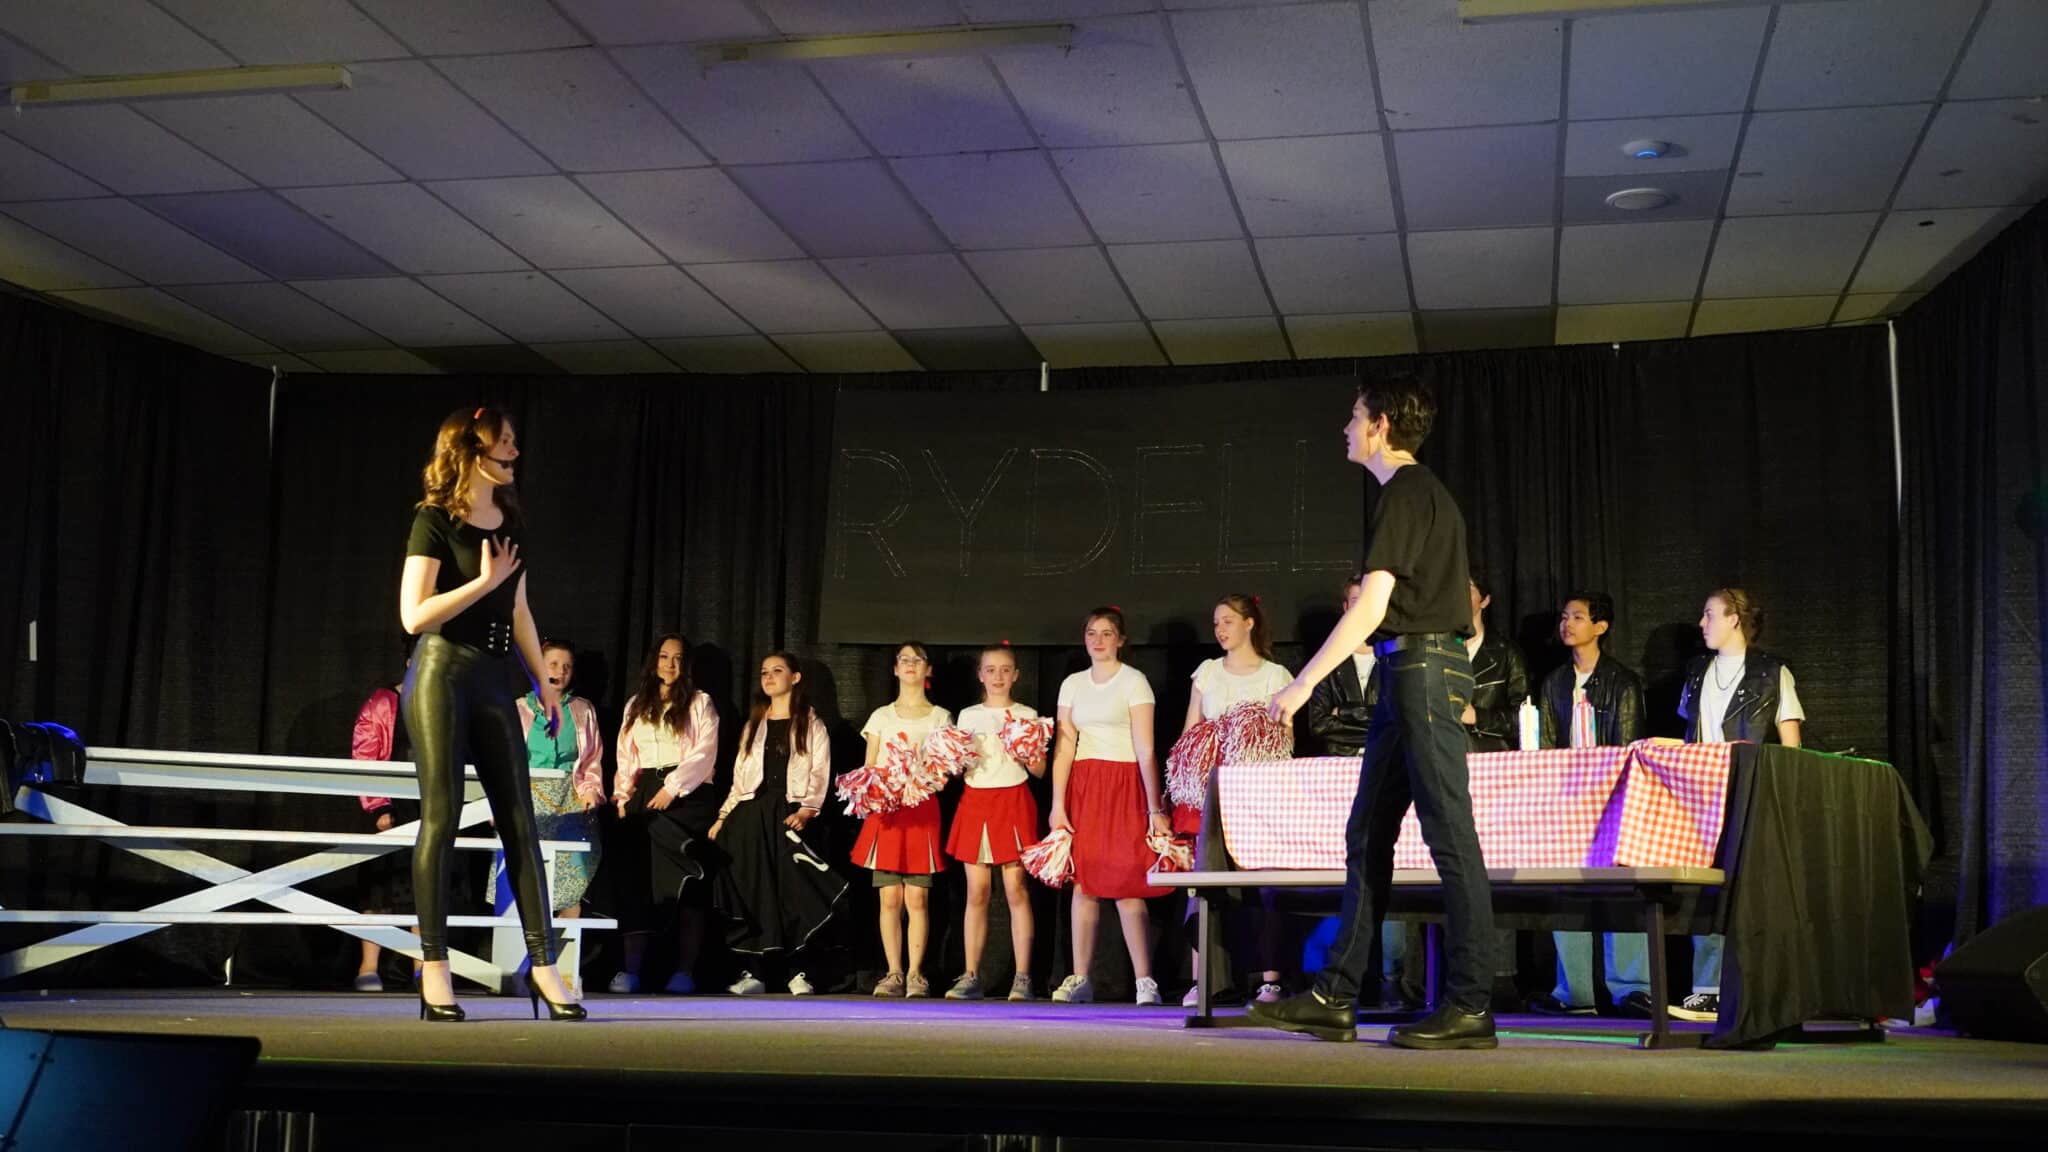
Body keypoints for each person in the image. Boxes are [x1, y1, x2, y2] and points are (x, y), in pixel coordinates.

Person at [1252, 370, 1498, 1050]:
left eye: (1355, 416)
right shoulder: (1416, 494)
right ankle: (1335, 996)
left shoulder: (1407, 491)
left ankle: (1471, 1004)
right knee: (1367, 832)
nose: (1346, 428)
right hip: (1407, 672)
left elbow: (1371, 607)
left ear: (1380, 425)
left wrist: (1303, 684)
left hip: (1423, 669)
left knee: (1450, 834)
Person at [397, 405, 583, 1022]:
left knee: (520, 824)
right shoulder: (434, 519)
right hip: (441, 673)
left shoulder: (511, 522)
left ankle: (545, 967)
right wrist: (482, 582)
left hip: (493, 679)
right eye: (504, 443)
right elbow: (414, 616)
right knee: (442, 819)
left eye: (513, 442)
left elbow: (520, 609)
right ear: (471, 451)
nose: (513, 452)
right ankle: (433, 968)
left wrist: (542, 683)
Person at [1673, 586, 1805, 1022]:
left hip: (1750, 793)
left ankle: (1757, 987)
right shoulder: (1697, 671)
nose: (1702, 623)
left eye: (1709, 614)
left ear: (1734, 619)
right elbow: (1691, 733)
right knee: (1704, 890)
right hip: (1700, 794)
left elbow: (1790, 747)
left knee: (1751, 893)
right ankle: (1707, 990)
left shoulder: (1772, 672)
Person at [1532, 592, 1651, 1018]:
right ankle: (1574, 992)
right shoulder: (1554, 682)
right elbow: (1546, 744)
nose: (1567, 624)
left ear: (1600, 627)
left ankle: (1632, 989)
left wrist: (1607, 792)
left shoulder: (1623, 681)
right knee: (1567, 893)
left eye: (1578, 617)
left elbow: (1628, 746)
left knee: (1622, 892)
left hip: (1611, 797)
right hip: (1566, 799)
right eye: (1565, 616)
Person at [1177, 593, 1293, 1006]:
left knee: (1263, 886)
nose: (1220, 629)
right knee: (1205, 883)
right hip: (1213, 794)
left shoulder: (1276, 675)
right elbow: (1190, 733)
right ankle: (1204, 980)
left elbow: (1285, 740)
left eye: (1227, 621)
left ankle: (1270, 979)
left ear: (1249, 623)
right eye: (1216, 623)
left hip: (1260, 795)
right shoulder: (1208, 672)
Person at [1049, 607, 1169, 1007]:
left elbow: (1146, 748)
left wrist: (1154, 807)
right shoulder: (1072, 684)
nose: (1098, 640)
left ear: (1120, 640)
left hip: (1124, 785)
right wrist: (1058, 804)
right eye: (1091, 633)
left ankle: (1145, 981)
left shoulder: (1134, 682)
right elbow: (1065, 746)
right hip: (1085, 787)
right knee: (1084, 883)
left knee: (1127, 883)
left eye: (1106, 633)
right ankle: (1080, 977)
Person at [713, 652, 845, 996]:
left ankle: (798, 970)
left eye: (777, 670)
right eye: (764, 672)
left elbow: (820, 772)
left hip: (789, 815)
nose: (769, 677)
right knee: (753, 891)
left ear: (795, 677)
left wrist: (807, 809)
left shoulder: (811, 724)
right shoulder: (754, 724)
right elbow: (740, 777)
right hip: (752, 816)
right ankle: (754, 971)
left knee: (793, 892)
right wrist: (723, 816)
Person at [489, 639, 603, 996]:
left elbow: (591, 759)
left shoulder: (582, 710)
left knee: (569, 888)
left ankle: (565, 974)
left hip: (569, 801)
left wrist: (590, 791)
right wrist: (496, 804)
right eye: (552, 664)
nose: (560, 672)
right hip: (526, 800)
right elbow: (500, 762)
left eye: (566, 666)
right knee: (521, 884)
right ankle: (515, 971)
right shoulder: (518, 709)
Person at [609, 634, 719, 995]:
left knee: (689, 884)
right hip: (644, 794)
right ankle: (630, 970)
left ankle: (684, 971)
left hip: (687, 797)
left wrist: (673, 787)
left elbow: (705, 752)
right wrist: (623, 796)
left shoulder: (700, 702)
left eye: (678, 658)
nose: (670, 665)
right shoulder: (637, 704)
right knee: (638, 884)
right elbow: (626, 754)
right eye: (664, 657)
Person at [944, 644, 1046, 1002]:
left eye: (1005, 670)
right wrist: (951, 759)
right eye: (991, 670)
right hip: (976, 802)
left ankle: (1023, 977)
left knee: (1016, 889)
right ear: (980, 675)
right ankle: (971, 974)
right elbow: (958, 770)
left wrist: (1025, 750)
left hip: (1013, 801)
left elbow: (1039, 770)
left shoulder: (1026, 714)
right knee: (977, 892)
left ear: (1016, 675)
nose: (998, 676)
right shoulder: (968, 716)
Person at [852, 642, 952, 998]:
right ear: (895, 669)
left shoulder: (940, 717)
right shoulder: (881, 716)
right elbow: (869, 767)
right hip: (887, 812)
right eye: (904, 660)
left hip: (921, 810)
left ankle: (915, 974)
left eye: (917, 659)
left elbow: (944, 771)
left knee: (918, 898)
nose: (910, 665)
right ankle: (893, 972)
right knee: (890, 898)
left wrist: (919, 778)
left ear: (928, 670)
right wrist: (882, 786)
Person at [350, 676, 417, 991]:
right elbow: (364, 755)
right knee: (380, 887)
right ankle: (368, 967)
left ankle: (423, 965)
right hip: (390, 804)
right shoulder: (382, 702)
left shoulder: (444, 699)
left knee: (425, 888)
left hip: (427, 802)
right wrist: (378, 806)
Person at [1303, 575, 1379, 758]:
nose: (1361, 608)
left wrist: (1344, 712)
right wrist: (1378, 728)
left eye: (1366, 600)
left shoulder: (1394, 657)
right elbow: (1319, 725)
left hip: (1385, 760)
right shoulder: (1327, 661)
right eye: (1355, 601)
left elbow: (1400, 721)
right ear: (1346, 608)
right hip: (1340, 760)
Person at [1461, 576, 1527, 754]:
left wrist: (1477, 716)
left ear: (1485, 600)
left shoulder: (1506, 653)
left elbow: (1523, 719)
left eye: (1467, 587)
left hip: (1490, 755)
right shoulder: (1438, 650)